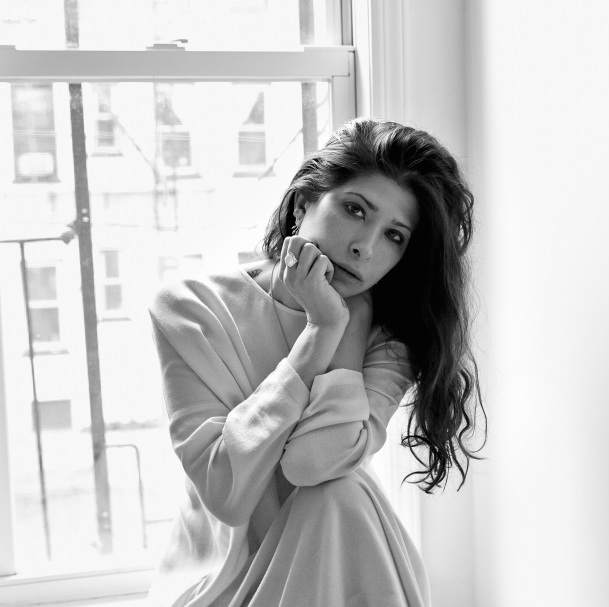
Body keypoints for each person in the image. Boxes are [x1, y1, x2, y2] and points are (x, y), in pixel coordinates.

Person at [147, 118, 485, 606]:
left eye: (394, 236)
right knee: (336, 497)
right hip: (225, 577)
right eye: (355, 209)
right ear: (303, 202)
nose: (364, 246)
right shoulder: (191, 310)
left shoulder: (392, 338)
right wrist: (321, 328)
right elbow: (226, 494)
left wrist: (349, 322)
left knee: (335, 494)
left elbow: (313, 465)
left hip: (338, 559)